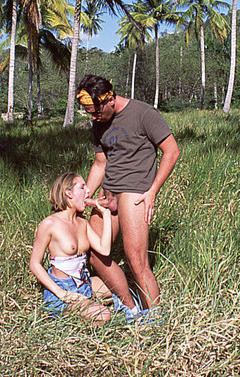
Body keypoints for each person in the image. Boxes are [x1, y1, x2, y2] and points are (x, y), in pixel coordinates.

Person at [76, 75, 180, 317]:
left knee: (136, 260)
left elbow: (171, 151)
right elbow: (100, 164)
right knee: (94, 254)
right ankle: (131, 308)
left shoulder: (144, 114)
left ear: (111, 99)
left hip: (135, 192)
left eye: (96, 111)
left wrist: (152, 190)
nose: (93, 117)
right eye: (89, 112)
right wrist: (85, 196)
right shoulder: (99, 121)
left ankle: (155, 319)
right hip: (108, 192)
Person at [29, 172, 113, 324]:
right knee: (104, 315)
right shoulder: (49, 224)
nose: (88, 191)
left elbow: (104, 249)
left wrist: (106, 214)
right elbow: (34, 264)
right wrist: (61, 293)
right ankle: (64, 312)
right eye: (82, 187)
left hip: (84, 283)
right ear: (68, 193)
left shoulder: (82, 223)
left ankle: (87, 304)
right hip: (62, 288)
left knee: (123, 288)